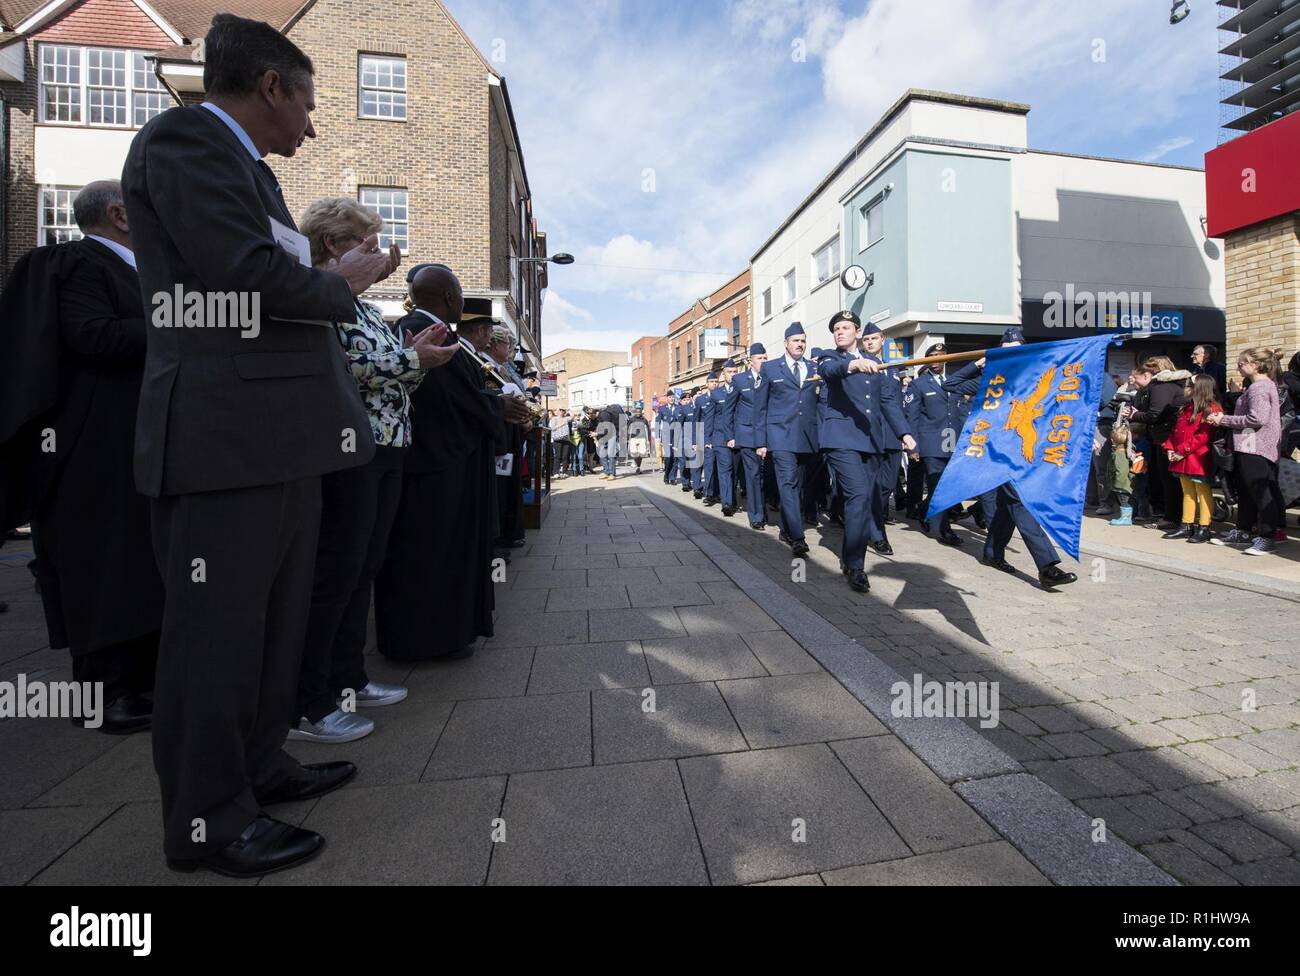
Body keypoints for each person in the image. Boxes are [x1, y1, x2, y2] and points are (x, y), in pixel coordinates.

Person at [121, 13, 400, 876]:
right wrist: (337, 281)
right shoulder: (185, 142)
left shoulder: (248, 170)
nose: (312, 125)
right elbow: (243, 274)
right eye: (308, 103)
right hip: (222, 440)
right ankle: (208, 821)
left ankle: (259, 768)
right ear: (272, 86)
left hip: (275, 440)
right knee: (219, 639)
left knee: (275, 630)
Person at [0, 180, 162, 734]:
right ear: (120, 214)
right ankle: (106, 694)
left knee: (138, 561)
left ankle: (142, 681)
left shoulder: (139, 272)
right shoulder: (72, 263)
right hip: (91, 448)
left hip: (133, 442)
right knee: (104, 564)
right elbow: (94, 337)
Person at [288, 206, 455, 745]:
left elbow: (390, 375)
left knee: (363, 567)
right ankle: (305, 703)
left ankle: (346, 679)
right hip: (350, 449)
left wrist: (415, 359)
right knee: (336, 571)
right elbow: (344, 369)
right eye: (367, 241)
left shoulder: (361, 308)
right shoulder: (318, 294)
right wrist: (412, 363)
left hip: (387, 447)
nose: (379, 252)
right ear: (334, 246)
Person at [377, 284, 525, 661]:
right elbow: (445, 399)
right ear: (448, 297)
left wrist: (492, 404)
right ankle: (425, 640)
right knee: (430, 556)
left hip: (445, 462)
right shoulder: (427, 332)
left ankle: (445, 634)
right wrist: (496, 408)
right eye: (458, 293)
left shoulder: (434, 330)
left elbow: (458, 395)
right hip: (436, 467)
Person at [942, 328, 1078, 589]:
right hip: (997, 453)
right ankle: (1047, 566)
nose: (1012, 355)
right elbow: (951, 385)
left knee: (1007, 506)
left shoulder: (1035, 376)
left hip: (1026, 449)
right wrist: (978, 363)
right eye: (1006, 350)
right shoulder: (990, 379)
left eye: (1017, 348)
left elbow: (1056, 404)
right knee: (1020, 502)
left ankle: (992, 552)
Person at [816, 311, 914, 592]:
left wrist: (904, 433)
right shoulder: (830, 357)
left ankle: (854, 553)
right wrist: (854, 365)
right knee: (857, 496)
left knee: (866, 499)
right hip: (841, 440)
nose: (840, 332)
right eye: (836, 328)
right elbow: (828, 372)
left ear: (857, 332)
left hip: (871, 441)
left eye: (846, 328)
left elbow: (887, 402)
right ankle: (855, 565)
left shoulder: (876, 364)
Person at [1208, 347, 1284, 555]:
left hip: (1256, 446)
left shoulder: (1259, 387)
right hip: (1251, 445)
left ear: (1256, 365)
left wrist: (1222, 419)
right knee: (1247, 491)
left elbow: (1257, 419)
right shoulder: (1260, 386)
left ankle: (1267, 537)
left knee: (1260, 492)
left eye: (1242, 363)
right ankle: (1243, 530)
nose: (1238, 366)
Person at [755, 323, 821, 557]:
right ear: (785, 343)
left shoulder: (814, 368)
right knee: (787, 483)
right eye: (795, 340)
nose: (800, 344)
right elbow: (760, 407)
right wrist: (761, 441)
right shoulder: (771, 368)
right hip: (780, 436)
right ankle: (797, 537)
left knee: (799, 487)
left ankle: (785, 527)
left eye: (803, 341)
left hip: (806, 437)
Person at [903, 341, 964, 546]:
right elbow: (912, 418)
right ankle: (944, 529)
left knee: (949, 485)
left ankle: (923, 509)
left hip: (952, 442)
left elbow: (958, 413)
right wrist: (913, 446)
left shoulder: (954, 382)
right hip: (930, 443)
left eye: (941, 357)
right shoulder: (919, 384)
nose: (936, 361)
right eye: (932, 358)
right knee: (939, 486)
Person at [857, 323, 907, 553]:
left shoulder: (894, 368)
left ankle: (872, 523)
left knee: (887, 485)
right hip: (871, 434)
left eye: (873, 339)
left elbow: (897, 404)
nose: (869, 343)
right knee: (873, 487)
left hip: (892, 435)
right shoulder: (860, 366)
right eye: (866, 339)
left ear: (882, 340)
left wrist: (905, 433)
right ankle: (877, 534)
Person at [1126, 356, 1191, 527]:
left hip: (1167, 438)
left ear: (1151, 371)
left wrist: (1134, 415)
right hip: (1172, 437)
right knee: (1171, 480)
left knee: (1168, 480)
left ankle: (1171, 518)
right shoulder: (1178, 383)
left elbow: (1155, 414)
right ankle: (1174, 516)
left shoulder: (1161, 386)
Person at [1161, 374, 1220, 544]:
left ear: (1199, 388)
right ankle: (1187, 524)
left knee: (1202, 492)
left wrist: (1181, 450)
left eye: (1189, 385)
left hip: (1198, 458)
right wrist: (1170, 448)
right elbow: (1175, 431)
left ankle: (1204, 526)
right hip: (1182, 457)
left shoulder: (1211, 408)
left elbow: (1203, 436)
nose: (1185, 388)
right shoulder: (1186, 407)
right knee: (1187, 492)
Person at [488, 325, 528, 545]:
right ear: (494, 344)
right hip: (499, 435)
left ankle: (507, 532)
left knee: (507, 486)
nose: (510, 348)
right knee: (500, 488)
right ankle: (500, 537)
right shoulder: (488, 367)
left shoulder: (502, 368)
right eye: (507, 344)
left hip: (509, 433)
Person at [732, 346, 769, 529]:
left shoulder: (770, 378)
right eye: (759, 358)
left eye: (765, 357)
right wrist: (730, 435)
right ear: (750, 361)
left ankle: (764, 509)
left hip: (768, 435)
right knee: (753, 476)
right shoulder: (739, 380)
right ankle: (756, 516)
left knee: (767, 477)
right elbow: (729, 410)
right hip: (746, 435)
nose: (763, 361)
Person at [708, 363, 741, 515]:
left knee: (734, 471)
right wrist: (707, 440)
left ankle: (732, 500)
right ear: (723, 374)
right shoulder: (716, 394)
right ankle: (726, 503)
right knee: (725, 469)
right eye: (729, 372)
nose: (733, 374)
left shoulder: (742, 390)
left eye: (735, 371)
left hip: (738, 437)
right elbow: (709, 418)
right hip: (720, 438)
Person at [1107, 425, 1137, 526]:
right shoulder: (1126, 452)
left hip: (1122, 484)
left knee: (1124, 501)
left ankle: (1126, 519)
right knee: (1128, 500)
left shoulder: (1119, 454)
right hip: (1126, 483)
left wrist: (1117, 484)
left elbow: (1121, 470)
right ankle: (1129, 517)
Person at [698, 374, 719, 501]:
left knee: (721, 468)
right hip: (708, 438)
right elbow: (697, 421)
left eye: (716, 381)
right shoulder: (701, 400)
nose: (714, 384)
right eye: (711, 381)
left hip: (721, 436)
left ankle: (720, 493)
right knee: (709, 466)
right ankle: (709, 493)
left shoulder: (724, 395)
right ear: (707, 384)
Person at [596, 400, 625, 480]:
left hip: (611, 434)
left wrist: (597, 434)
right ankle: (606, 472)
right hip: (604, 435)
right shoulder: (601, 415)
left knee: (610, 454)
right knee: (603, 454)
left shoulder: (603, 414)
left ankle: (612, 473)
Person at [550, 409, 572, 477]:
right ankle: (556, 472)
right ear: (558, 411)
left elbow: (573, 416)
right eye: (560, 410)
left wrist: (569, 411)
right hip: (557, 439)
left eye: (563, 410)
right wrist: (561, 424)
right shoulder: (554, 419)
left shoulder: (566, 418)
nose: (561, 412)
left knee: (565, 456)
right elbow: (552, 428)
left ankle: (564, 472)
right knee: (557, 456)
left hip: (566, 439)